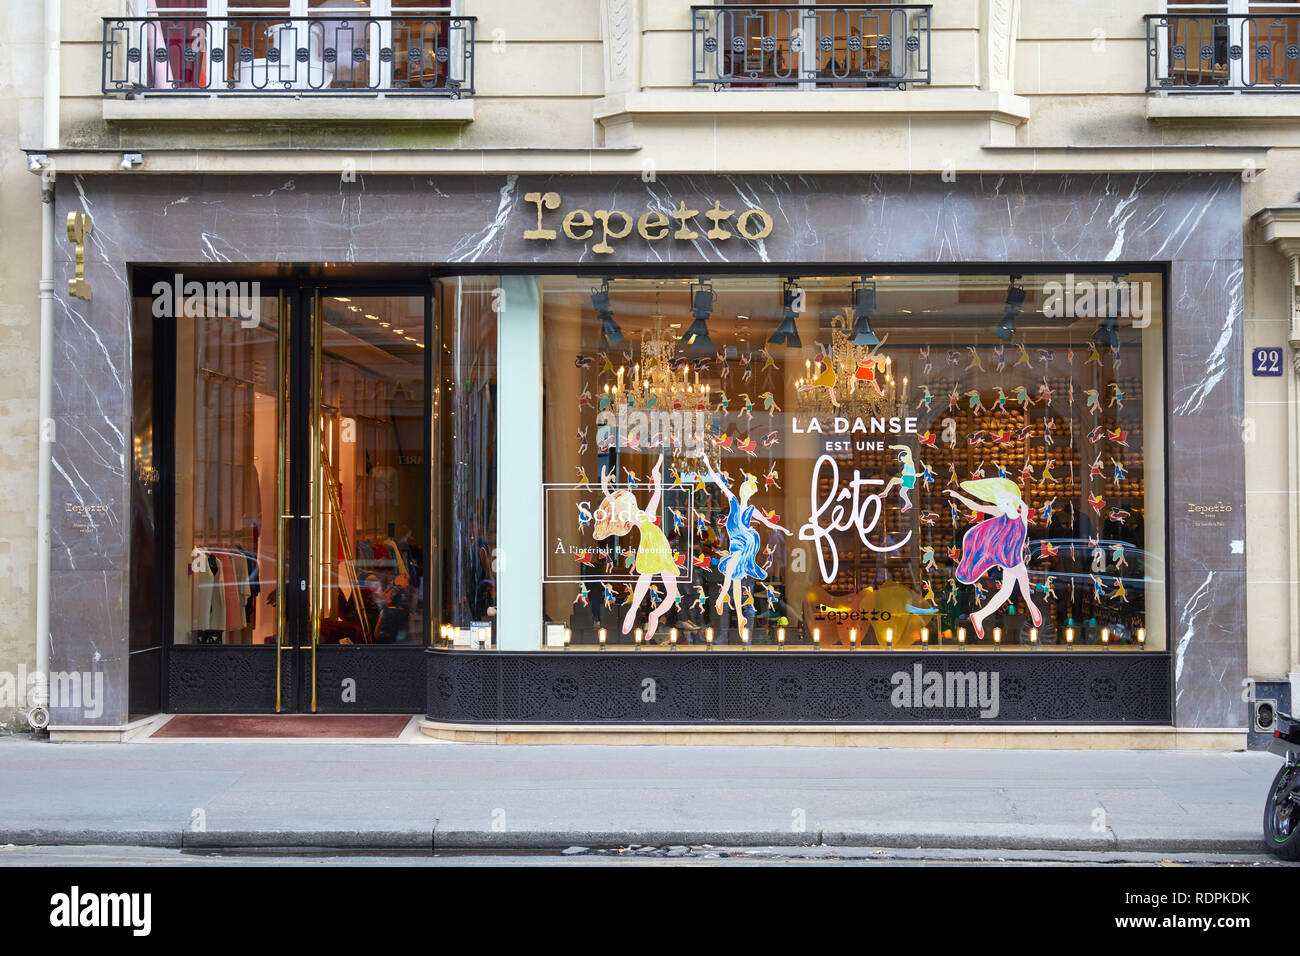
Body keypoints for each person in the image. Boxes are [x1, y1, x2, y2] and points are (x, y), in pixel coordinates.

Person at [591, 455, 679, 640]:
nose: (629, 503)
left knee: (670, 592)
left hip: (660, 544)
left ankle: (654, 615)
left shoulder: (645, 513)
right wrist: (607, 491)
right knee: (645, 581)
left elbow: (656, 494)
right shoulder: (633, 515)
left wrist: (656, 473)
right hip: (650, 543)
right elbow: (615, 504)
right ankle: (632, 612)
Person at [944, 477, 1041, 639]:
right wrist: (958, 496)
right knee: (1019, 584)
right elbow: (976, 506)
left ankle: (979, 616)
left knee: (1007, 591)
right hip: (1009, 559)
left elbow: (1022, 504)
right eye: (1000, 502)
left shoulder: (1021, 514)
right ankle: (1031, 607)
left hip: (1013, 558)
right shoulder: (1000, 513)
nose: (1002, 505)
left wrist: (1014, 495)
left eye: (1005, 501)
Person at [701, 453, 791, 618]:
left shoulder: (751, 510)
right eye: (745, 491)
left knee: (731, 570)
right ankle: (741, 617)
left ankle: (720, 599)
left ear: (749, 495)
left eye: (748, 492)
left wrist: (782, 529)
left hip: (743, 542)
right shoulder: (733, 501)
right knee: (735, 577)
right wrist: (707, 464)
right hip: (736, 541)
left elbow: (767, 522)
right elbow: (720, 483)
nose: (746, 494)